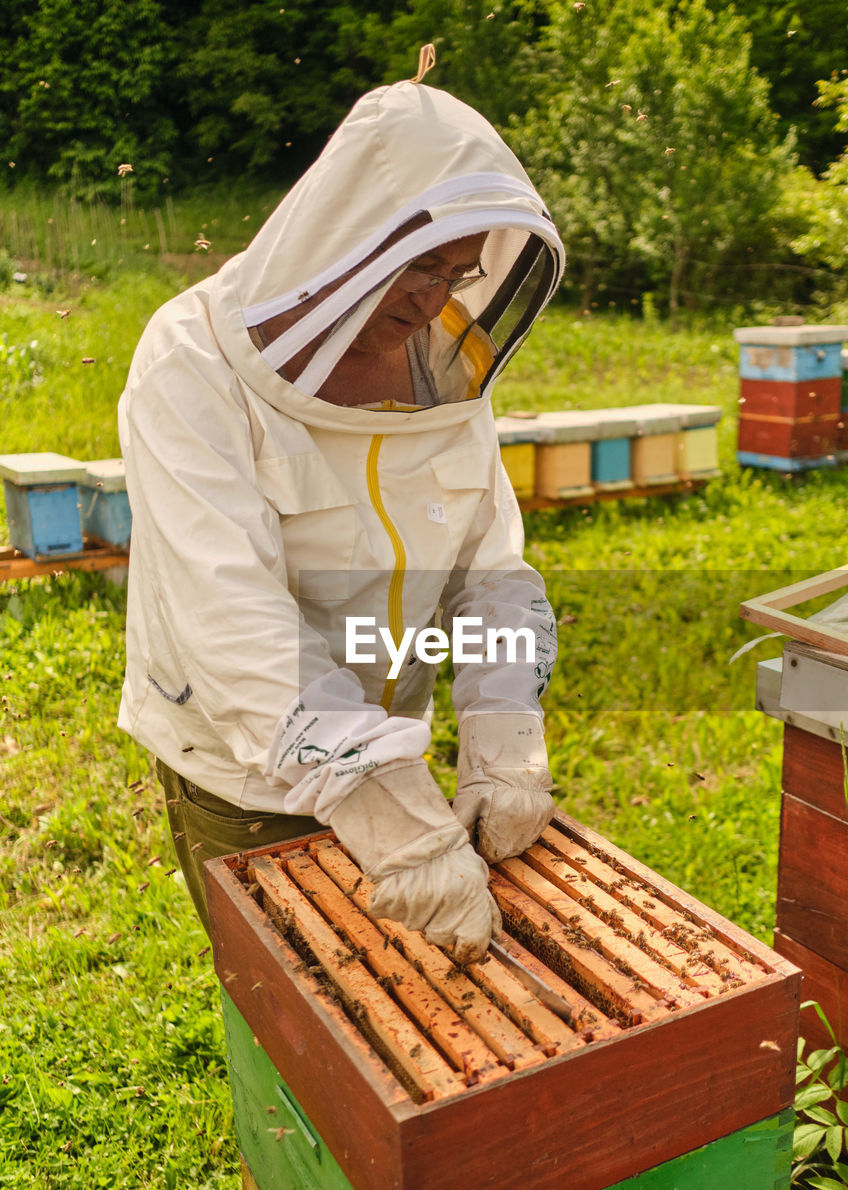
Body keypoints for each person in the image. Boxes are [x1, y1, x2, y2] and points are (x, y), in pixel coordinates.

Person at [118, 68, 565, 965]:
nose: (432, 300)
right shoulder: (189, 362)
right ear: (344, 240)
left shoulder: (443, 367)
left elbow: (492, 571)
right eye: (416, 266)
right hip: (244, 771)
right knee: (298, 1027)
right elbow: (228, 619)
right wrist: (387, 816)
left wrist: (503, 729)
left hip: (390, 746)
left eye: (458, 271)